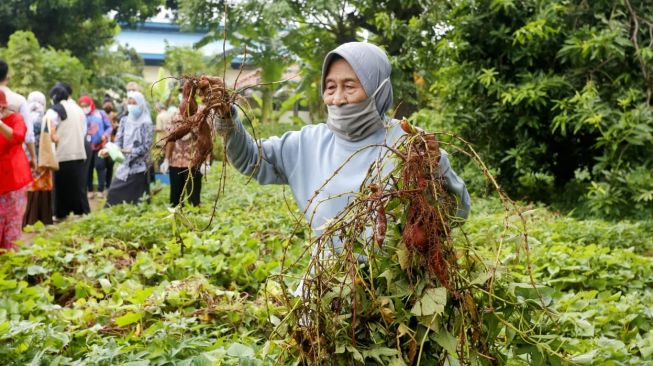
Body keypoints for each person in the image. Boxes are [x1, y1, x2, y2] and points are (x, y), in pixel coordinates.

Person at [222, 42, 470, 237]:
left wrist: (434, 170)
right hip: (328, 286)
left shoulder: (410, 143)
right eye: (330, 87)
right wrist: (226, 117)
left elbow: (456, 212)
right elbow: (250, 159)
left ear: (378, 89)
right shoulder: (307, 143)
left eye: (350, 86)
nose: (338, 98)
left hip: (402, 290)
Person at [102, 91, 153, 207]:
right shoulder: (125, 120)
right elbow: (119, 140)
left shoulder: (146, 123)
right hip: (124, 164)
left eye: (134, 103)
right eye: (129, 103)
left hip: (139, 166)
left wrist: (128, 151)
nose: (131, 106)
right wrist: (112, 150)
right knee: (114, 193)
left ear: (141, 105)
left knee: (137, 199)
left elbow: (146, 147)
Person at [48, 85, 89, 220]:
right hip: (79, 151)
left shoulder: (56, 110)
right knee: (77, 184)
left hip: (63, 152)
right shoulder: (78, 109)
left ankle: (61, 213)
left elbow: (50, 130)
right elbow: (84, 130)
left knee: (61, 186)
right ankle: (81, 211)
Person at [0, 90, 32, 250]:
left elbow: (18, 137)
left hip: (13, 180)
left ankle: (10, 262)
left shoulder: (16, 119)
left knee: (12, 221)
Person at [161, 109, 207, 207]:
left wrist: (205, 161)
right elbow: (170, 139)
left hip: (193, 163)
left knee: (193, 197)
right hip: (175, 162)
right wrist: (166, 159)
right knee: (175, 197)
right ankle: (176, 216)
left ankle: (194, 216)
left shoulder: (199, 115)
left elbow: (205, 140)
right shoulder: (174, 116)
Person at [23, 91, 54, 227]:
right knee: (43, 188)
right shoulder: (45, 118)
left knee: (31, 187)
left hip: (28, 157)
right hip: (43, 157)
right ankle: (44, 219)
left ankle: (29, 219)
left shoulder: (25, 117)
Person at [0, 60, 37, 170]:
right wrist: (33, 157)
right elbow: (28, 134)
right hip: (11, 160)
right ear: (7, 77)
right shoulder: (19, 100)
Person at [79, 96, 112, 198]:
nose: (85, 108)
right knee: (87, 168)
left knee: (100, 166)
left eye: (87, 105)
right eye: (82, 106)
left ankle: (100, 190)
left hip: (99, 145)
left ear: (91, 104)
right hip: (86, 147)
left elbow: (109, 127)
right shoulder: (80, 115)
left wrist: (105, 135)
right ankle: (89, 190)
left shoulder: (100, 113)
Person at [102, 96, 119, 189]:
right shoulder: (100, 115)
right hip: (102, 143)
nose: (108, 106)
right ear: (103, 105)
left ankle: (108, 185)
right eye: (106, 104)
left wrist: (115, 127)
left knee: (110, 164)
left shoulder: (114, 115)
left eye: (109, 104)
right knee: (102, 164)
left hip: (112, 142)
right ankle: (102, 184)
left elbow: (117, 129)